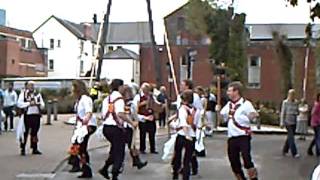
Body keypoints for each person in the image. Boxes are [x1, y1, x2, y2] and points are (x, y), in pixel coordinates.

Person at [98, 79, 138, 180]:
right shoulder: (119, 99)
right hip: (116, 129)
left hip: (106, 128)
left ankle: (105, 169)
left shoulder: (107, 99)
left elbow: (103, 115)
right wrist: (131, 122)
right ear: (119, 87)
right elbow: (120, 113)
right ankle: (115, 174)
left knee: (114, 150)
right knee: (120, 152)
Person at [220, 81, 259, 180]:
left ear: (236, 91)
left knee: (246, 159)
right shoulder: (228, 105)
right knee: (234, 162)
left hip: (243, 137)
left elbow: (254, 117)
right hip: (232, 137)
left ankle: (254, 178)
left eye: (229, 91)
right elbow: (222, 119)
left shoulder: (246, 104)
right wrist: (218, 112)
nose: (227, 93)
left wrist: (253, 116)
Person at [68, 80, 97, 178]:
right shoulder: (79, 100)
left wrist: (86, 120)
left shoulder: (85, 99)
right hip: (81, 126)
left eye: (73, 87)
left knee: (82, 147)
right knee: (78, 146)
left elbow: (89, 111)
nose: (71, 90)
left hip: (88, 126)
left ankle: (86, 169)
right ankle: (81, 166)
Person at [172, 90, 197, 180]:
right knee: (187, 160)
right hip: (192, 135)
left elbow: (183, 123)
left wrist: (187, 135)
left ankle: (175, 175)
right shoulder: (194, 109)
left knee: (178, 157)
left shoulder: (182, 109)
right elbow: (197, 123)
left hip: (182, 135)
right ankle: (186, 178)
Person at [122, 85, 147, 169]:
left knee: (131, 145)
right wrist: (141, 119)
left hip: (124, 126)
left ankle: (136, 161)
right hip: (127, 126)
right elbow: (134, 115)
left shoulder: (122, 102)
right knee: (130, 145)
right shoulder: (130, 104)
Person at [17, 81, 45, 156]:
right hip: (27, 115)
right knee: (25, 132)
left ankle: (34, 148)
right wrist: (29, 104)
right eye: (30, 85)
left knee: (35, 132)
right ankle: (23, 148)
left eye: (33, 85)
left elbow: (42, 104)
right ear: (27, 86)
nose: (32, 87)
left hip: (36, 115)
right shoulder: (23, 94)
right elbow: (19, 104)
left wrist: (39, 104)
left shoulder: (38, 94)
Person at [133, 83, 160, 154]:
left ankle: (152, 149)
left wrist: (159, 106)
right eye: (146, 89)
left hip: (151, 117)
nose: (147, 91)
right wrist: (143, 103)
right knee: (142, 134)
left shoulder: (152, 96)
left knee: (152, 133)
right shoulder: (138, 97)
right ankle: (142, 149)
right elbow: (135, 107)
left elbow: (156, 103)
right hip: (143, 118)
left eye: (148, 89)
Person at [280, 89, 300, 158]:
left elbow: (297, 112)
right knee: (291, 137)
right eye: (291, 94)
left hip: (294, 121)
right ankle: (294, 153)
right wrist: (282, 122)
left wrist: (296, 112)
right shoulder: (285, 102)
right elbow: (283, 112)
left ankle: (285, 150)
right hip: (287, 121)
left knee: (290, 137)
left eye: (293, 95)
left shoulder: (296, 102)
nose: (292, 96)